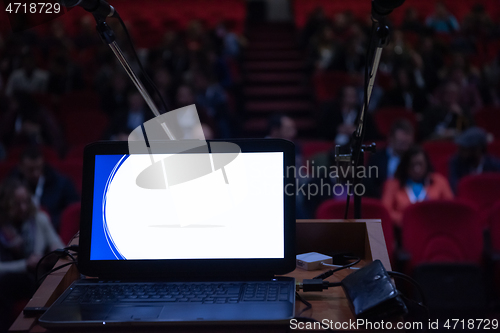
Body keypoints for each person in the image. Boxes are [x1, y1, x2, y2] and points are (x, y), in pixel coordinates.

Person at [0, 178, 64, 332]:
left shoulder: (39, 219)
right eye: (16, 204)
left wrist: (54, 251)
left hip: (36, 276)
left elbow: (61, 247)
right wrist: (25, 264)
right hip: (8, 281)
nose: (23, 208)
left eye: (26, 202)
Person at [9, 147, 79, 231]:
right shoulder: (11, 185)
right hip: (19, 229)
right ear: (21, 167)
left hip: (53, 228)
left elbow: (72, 212)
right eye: (30, 170)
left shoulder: (61, 183)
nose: (36, 173)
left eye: (39, 168)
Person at [382, 145, 453, 226]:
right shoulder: (393, 184)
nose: (417, 169)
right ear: (405, 166)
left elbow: (450, 208)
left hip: (435, 228)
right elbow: (385, 211)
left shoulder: (439, 181)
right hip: (403, 230)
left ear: (426, 164)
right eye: (412, 165)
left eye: (420, 164)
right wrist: (410, 221)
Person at [365, 120, 414, 198]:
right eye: (401, 142)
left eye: (406, 143)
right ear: (390, 138)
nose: (404, 146)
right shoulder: (376, 157)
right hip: (381, 199)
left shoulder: (414, 158)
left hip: (408, 200)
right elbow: (368, 184)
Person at [449, 127, 500, 192]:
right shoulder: (456, 162)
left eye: (464, 149)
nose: (459, 152)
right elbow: (455, 187)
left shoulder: (494, 165)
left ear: (478, 150)